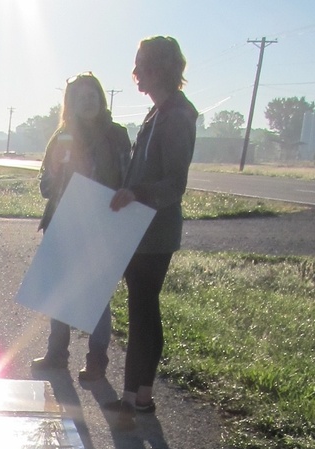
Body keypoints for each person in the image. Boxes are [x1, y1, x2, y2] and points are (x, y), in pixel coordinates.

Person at [107, 36, 197, 419]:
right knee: (142, 309)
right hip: (139, 228)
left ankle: (136, 398)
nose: (136, 71)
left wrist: (137, 194)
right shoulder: (157, 112)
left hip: (154, 232)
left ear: (160, 68)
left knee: (144, 310)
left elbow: (175, 185)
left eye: (141, 63)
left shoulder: (176, 115)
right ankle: (137, 395)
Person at [31, 74, 130, 382]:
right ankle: (57, 354)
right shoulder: (61, 136)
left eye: (93, 96)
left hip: (100, 225)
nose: (88, 101)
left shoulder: (116, 136)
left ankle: (97, 360)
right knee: (59, 293)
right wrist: (57, 169)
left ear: (101, 100)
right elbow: (45, 187)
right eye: (80, 97)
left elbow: (127, 180)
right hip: (62, 222)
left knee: (96, 295)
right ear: (70, 103)